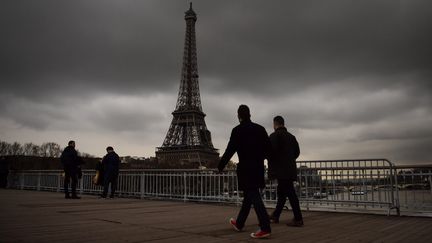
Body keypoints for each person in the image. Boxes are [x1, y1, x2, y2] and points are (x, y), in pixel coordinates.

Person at [218, 104, 272, 239]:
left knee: (253, 195)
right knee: (249, 196)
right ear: (250, 114)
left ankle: (265, 227)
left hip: (245, 168)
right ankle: (240, 223)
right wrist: (260, 158)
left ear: (238, 116)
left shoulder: (237, 130)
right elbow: (269, 149)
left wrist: (220, 166)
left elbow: (230, 150)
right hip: (258, 167)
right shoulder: (260, 129)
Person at [268, 116, 303, 226]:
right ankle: (276, 215)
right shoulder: (292, 137)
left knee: (290, 194)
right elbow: (297, 153)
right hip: (290, 169)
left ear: (275, 124)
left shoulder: (274, 136)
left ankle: (298, 218)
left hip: (280, 170)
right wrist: (288, 159)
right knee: (282, 193)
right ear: (283, 123)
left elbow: (270, 152)